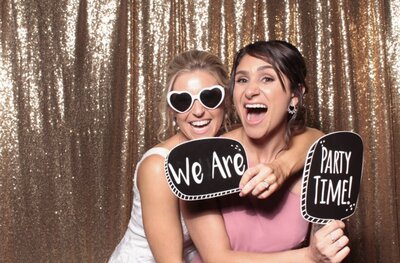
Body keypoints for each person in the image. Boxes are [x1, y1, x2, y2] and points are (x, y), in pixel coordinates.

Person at [109, 49, 324, 262]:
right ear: (172, 111)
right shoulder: (158, 167)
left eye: (210, 97)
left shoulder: (228, 146)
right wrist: (309, 257)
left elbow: (314, 138)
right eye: (182, 101)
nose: (198, 111)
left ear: (226, 101)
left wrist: (282, 165)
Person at [182, 40, 350, 263]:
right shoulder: (202, 162)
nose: (250, 91)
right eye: (242, 80)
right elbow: (218, 259)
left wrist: (282, 167)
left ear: (295, 94)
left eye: (267, 78)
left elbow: (327, 245)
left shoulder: (317, 158)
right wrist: (309, 256)